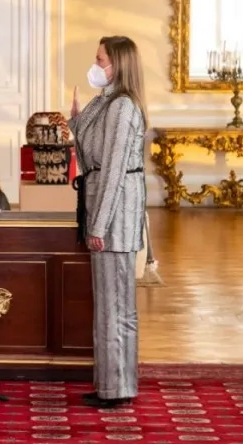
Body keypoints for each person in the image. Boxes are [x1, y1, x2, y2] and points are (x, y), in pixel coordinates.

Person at [68, 35, 148, 409]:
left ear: (117, 63)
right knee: (109, 304)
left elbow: (114, 169)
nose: (95, 64)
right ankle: (111, 384)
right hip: (103, 205)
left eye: (100, 59)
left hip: (114, 214)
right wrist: (74, 118)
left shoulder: (123, 107)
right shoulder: (106, 101)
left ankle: (117, 389)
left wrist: (97, 226)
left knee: (116, 306)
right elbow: (89, 159)